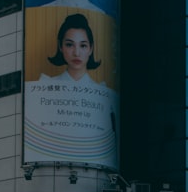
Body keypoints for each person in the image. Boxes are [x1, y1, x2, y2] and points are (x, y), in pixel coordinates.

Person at [24, 13, 118, 168]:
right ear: (60, 46)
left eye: (83, 45)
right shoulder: (44, 85)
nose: (76, 53)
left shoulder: (105, 93)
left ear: (91, 48)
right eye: (69, 44)